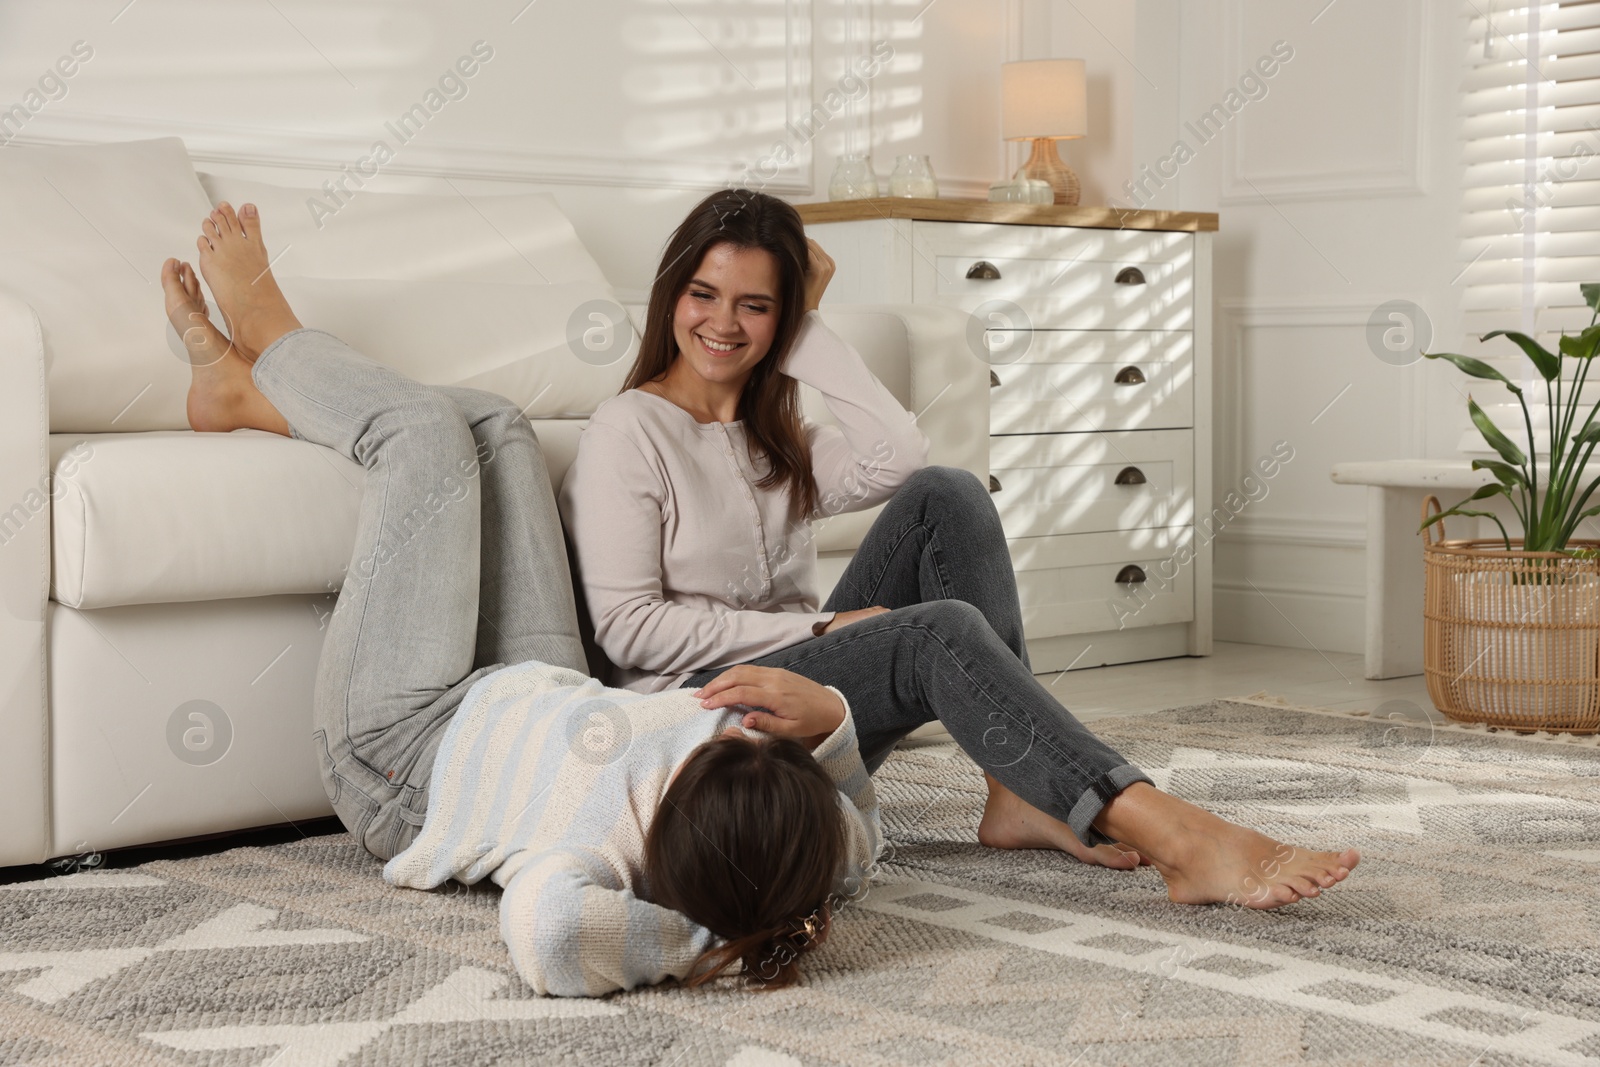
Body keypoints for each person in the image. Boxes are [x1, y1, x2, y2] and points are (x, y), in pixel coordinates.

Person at [165, 196, 1356, 1000]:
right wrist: (814, 637)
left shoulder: (776, 432)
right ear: (670, 292)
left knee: (944, 491)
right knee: (924, 630)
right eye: (708, 294)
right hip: (672, 697)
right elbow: (625, 631)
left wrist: (811, 330)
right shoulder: (635, 424)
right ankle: (1170, 831)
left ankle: (1017, 791)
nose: (724, 323)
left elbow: (895, 452)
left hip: (679, 704)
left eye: (757, 305)